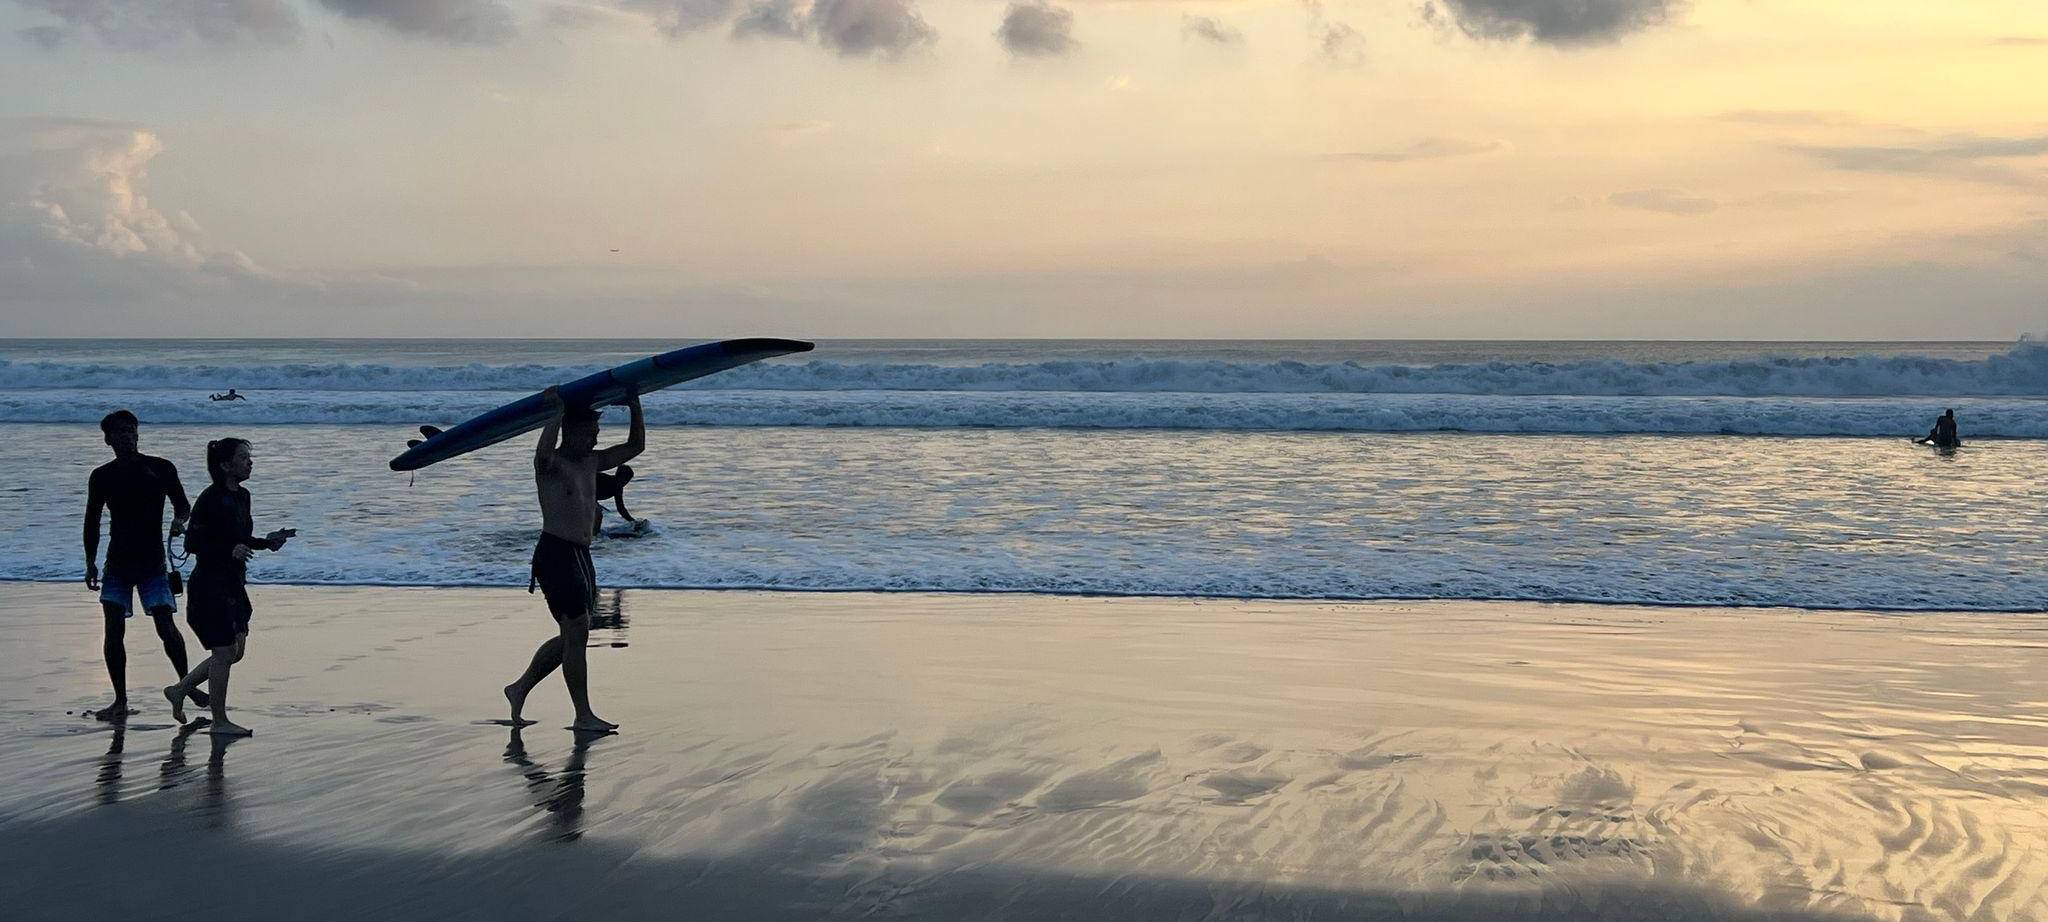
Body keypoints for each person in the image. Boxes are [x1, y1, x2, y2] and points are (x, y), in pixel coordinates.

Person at [504, 388, 643, 731]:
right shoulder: (552, 465)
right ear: (573, 431)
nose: (596, 439)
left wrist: (635, 404)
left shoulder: (590, 462)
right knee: (577, 632)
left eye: (597, 434)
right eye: (591, 433)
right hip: (555, 553)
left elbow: (635, 447)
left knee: (572, 636)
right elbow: (541, 456)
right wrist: (555, 413)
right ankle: (583, 715)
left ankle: (519, 688)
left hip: (582, 556)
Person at [164, 438, 294, 736]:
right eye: (243, 457)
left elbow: (239, 538)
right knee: (223, 652)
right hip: (209, 585)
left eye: (250, 457)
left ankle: (179, 689)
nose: (250, 462)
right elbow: (193, 543)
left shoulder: (243, 496)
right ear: (225, 465)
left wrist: (267, 543)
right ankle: (220, 721)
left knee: (236, 652)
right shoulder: (210, 498)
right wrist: (227, 551)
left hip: (234, 583)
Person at [84, 410, 201, 721]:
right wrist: (89, 562)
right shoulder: (102, 476)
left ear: (138, 433)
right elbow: (92, 521)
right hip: (117, 563)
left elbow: (183, 505)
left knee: (166, 627)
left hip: (153, 563)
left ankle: (186, 684)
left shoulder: (160, 468)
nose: (125, 436)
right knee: (113, 630)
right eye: (118, 432)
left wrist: (178, 522)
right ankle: (120, 700)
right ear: (107, 439)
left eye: (130, 430)